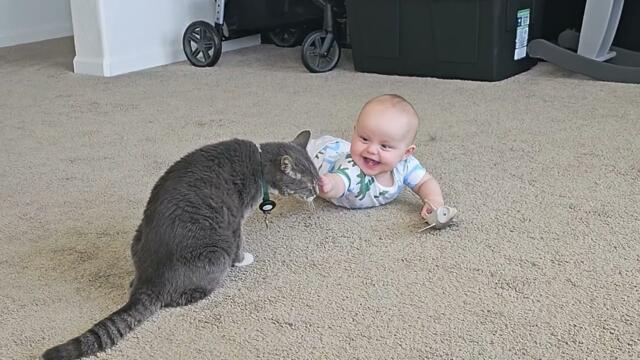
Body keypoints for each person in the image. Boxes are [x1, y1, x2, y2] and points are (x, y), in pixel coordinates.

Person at [307, 94, 444, 219]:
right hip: (318, 152)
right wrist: (328, 185)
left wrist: (434, 200)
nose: (371, 150)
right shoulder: (350, 166)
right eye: (364, 138)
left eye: (384, 146)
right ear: (355, 132)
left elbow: (425, 182)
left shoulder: (405, 165)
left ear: (406, 153)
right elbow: (339, 183)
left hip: (337, 148)